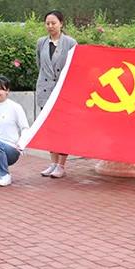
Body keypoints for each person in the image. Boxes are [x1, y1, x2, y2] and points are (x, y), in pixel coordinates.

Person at [36, 10, 77, 178]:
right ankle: (52, 163)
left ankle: (61, 165)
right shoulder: (41, 42)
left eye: (53, 23)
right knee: (50, 129)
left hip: (63, 91)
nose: (50, 26)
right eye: (47, 23)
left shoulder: (70, 43)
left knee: (63, 129)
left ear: (61, 23)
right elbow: (39, 64)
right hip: (45, 90)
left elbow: (75, 66)